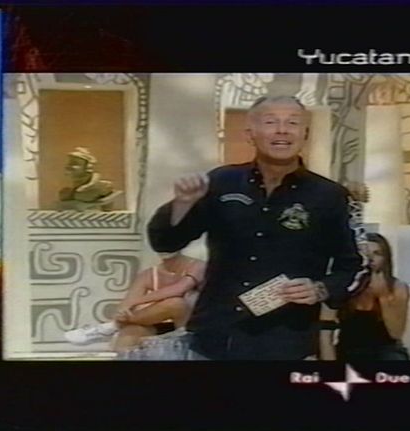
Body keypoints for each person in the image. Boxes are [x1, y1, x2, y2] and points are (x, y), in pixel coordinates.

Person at [147, 95, 369, 360]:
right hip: (216, 334)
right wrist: (182, 204)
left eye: (293, 123)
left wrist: (321, 288)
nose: (282, 130)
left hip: (286, 338)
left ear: (305, 134)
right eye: (270, 122)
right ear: (250, 134)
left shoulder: (330, 196)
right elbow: (165, 243)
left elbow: (357, 266)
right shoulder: (221, 182)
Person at [64, 251, 206, 353]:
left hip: (189, 323)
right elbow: (126, 304)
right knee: (127, 338)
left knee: (175, 304)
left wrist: (137, 302)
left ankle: (112, 327)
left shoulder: (197, 266)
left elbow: (178, 289)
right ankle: (115, 328)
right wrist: (122, 313)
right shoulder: (149, 274)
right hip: (154, 323)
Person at [319, 232, 410, 361]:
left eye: (377, 253)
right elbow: (325, 333)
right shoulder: (340, 286)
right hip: (348, 350)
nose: (371, 259)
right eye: (365, 253)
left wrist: (383, 296)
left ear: (386, 258)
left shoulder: (397, 287)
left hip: (386, 351)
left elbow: (396, 333)